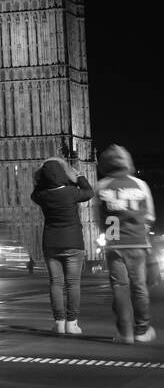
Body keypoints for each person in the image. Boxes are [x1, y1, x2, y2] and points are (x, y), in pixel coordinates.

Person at [94, 144, 156, 345]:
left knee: (120, 288)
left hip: (114, 246)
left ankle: (125, 332)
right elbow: (150, 217)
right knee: (139, 287)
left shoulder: (102, 186)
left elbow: (98, 219)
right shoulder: (140, 185)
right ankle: (142, 330)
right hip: (137, 243)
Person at [30, 157, 93, 335]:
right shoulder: (71, 192)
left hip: (51, 243)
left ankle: (59, 322)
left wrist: (40, 179)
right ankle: (72, 323)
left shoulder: (42, 195)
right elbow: (89, 192)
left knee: (55, 284)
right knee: (73, 284)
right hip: (73, 242)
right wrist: (78, 175)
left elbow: (34, 193)